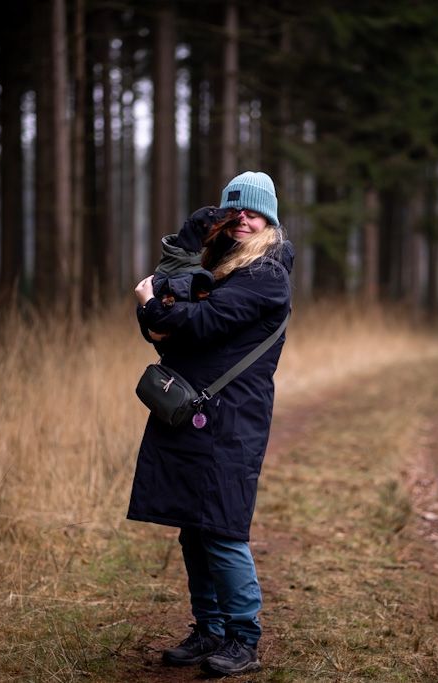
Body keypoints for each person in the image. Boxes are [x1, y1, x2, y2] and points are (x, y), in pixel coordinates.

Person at [129, 171, 293, 676]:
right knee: (194, 531)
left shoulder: (265, 275)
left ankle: (244, 637)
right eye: (234, 210)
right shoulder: (220, 268)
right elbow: (167, 335)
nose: (244, 217)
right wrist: (159, 310)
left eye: (254, 210)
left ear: (269, 219)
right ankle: (210, 630)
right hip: (192, 417)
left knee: (222, 530)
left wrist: (152, 303)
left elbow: (197, 324)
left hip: (230, 421)